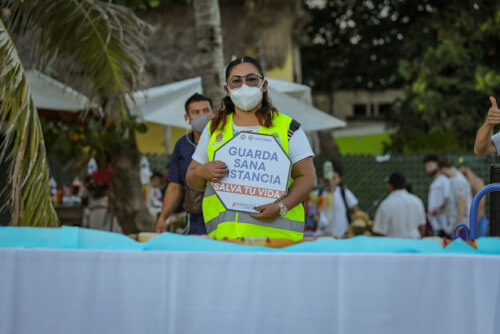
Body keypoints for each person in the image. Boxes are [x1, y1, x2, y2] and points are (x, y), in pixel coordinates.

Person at [186, 56, 316, 241]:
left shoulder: (288, 128)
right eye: (236, 81)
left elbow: (307, 177)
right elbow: (192, 179)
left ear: (264, 85)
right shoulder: (215, 128)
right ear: (227, 89)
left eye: (251, 79)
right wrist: (202, 172)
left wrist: (281, 207)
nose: (244, 86)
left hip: (277, 241)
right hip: (225, 240)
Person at [155, 93, 214, 234]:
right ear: (187, 118)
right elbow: (175, 186)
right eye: (196, 112)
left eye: (206, 111)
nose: (202, 116)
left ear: (214, 113)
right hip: (195, 222)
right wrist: (163, 218)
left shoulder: (226, 140)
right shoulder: (182, 146)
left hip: (224, 219)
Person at [373, 172, 426, 238]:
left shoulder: (386, 204)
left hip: (394, 246)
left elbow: (380, 232)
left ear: (390, 186)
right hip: (414, 244)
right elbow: (422, 227)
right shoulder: (417, 201)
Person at [315, 164, 358, 238]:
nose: (330, 181)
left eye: (334, 178)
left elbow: (356, 212)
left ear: (339, 179)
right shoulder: (316, 195)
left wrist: (349, 230)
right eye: (327, 178)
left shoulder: (344, 193)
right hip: (322, 236)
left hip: (342, 236)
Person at [438, 156, 472, 234]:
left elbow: (461, 204)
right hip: (458, 224)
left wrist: (457, 225)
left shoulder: (458, 181)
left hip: (462, 226)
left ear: (443, 169)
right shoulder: (453, 180)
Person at [457, 157, 488, 236]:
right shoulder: (465, 182)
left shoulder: (477, 182)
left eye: (460, 168)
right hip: (470, 220)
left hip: (478, 220)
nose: (458, 171)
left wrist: (474, 224)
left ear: (467, 168)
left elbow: (481, 205)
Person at [423, 155, 451, 237]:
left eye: (430, 165)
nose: (428, 169)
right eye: (426, 167)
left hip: (444, 224)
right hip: (434, 223)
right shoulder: (434, 183)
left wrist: (432, 212)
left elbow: (447, 200)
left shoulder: (444, 181)